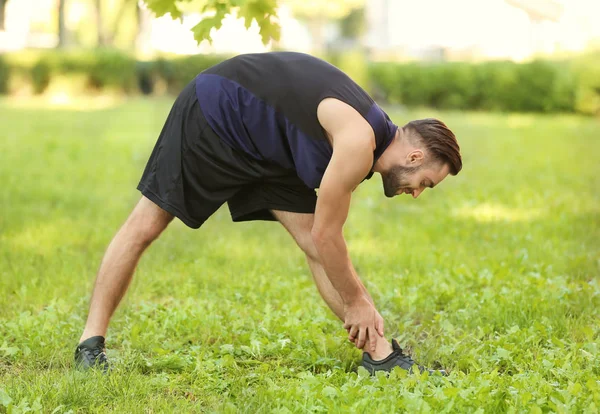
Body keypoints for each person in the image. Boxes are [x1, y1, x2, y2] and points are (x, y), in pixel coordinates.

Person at [74, 52, 462, 375]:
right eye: (426, 183)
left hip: (267, 147)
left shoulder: (369, 140)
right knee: (146, 225)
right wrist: (357, 299)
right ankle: (89, 346)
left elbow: (322, 241)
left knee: (313, 240)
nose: (416, 194)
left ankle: (382, 359)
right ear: (414, 156)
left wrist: (357, 297)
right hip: (216, 112)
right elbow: (331, 236)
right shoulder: (359, 142)